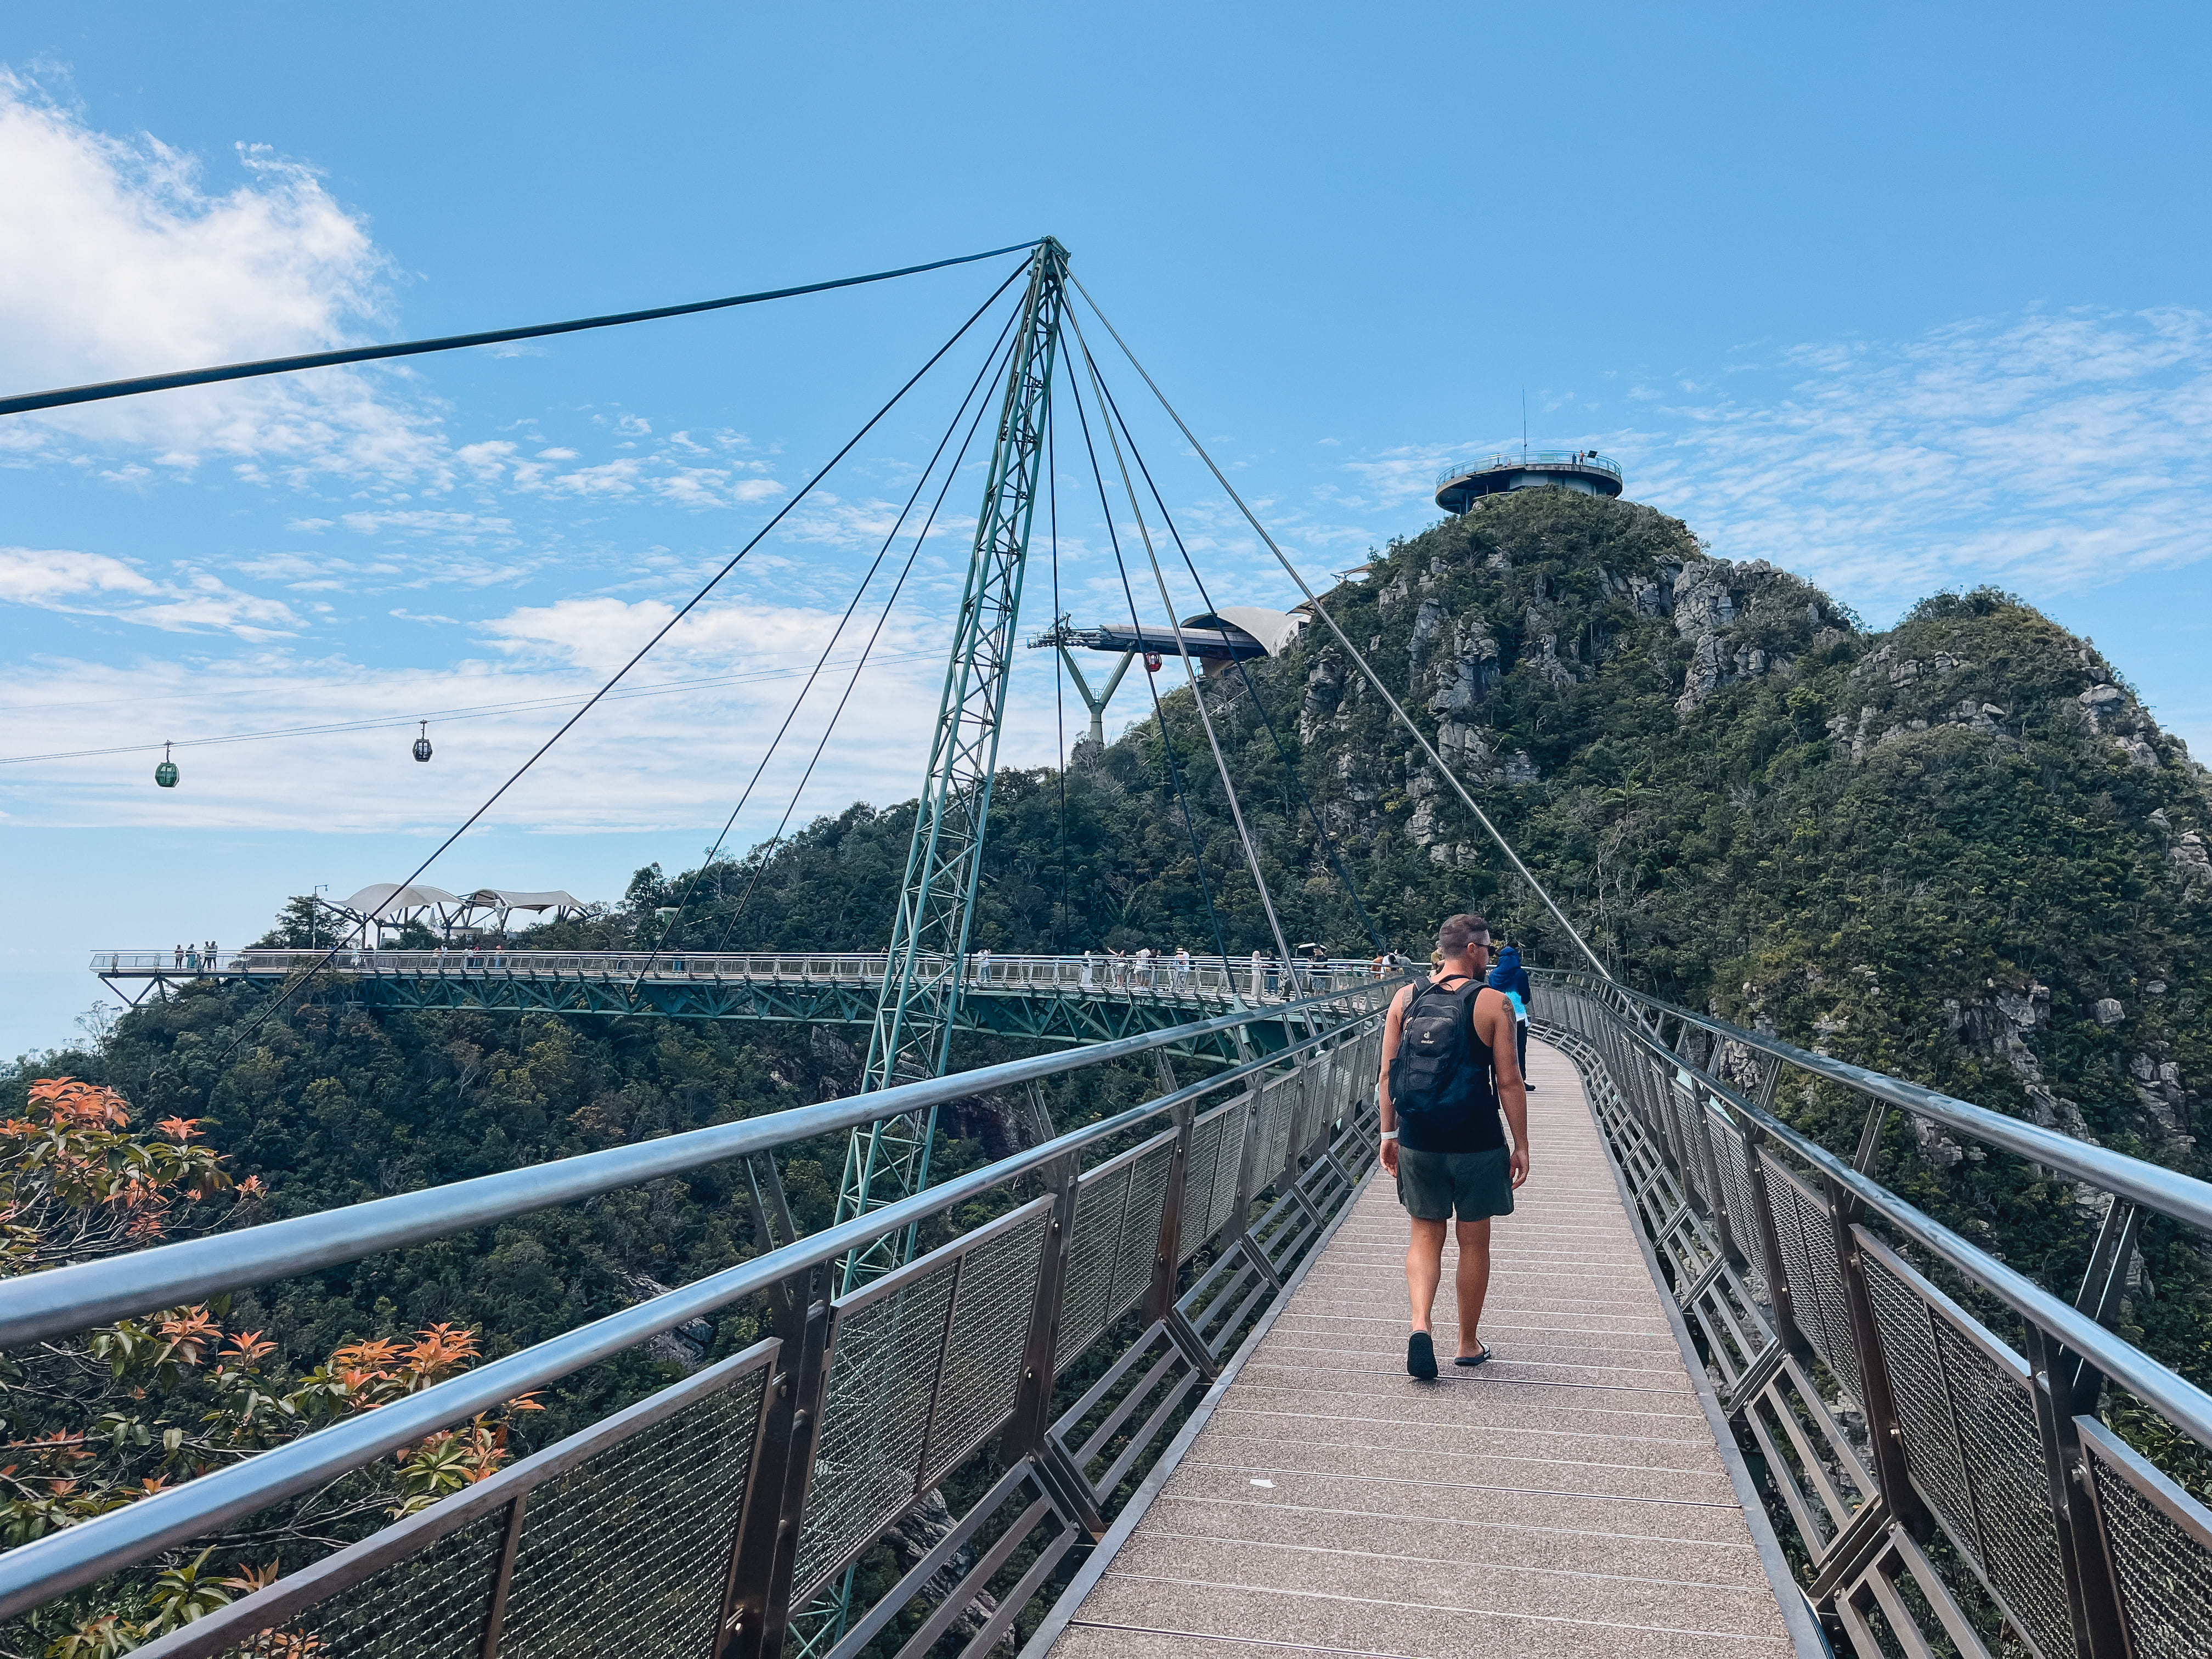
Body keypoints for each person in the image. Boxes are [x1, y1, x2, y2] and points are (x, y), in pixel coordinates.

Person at [1378, 912, 1531, 1380]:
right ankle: (1466, 1343)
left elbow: (1386, 1075)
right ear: (1472, 950)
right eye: (1486, 947)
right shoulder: (1492, 1003)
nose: (1488, 954)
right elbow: (1508, 1081)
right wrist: (1520, 1145)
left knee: (1425, 1236)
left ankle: (1420, 1323)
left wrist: (1389, 1135)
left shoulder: (1405, 998)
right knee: (1473, 1241)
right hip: (1477, 1141)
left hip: (1420, 1138)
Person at [1488, 943, 1536, 1093]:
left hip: (1499, 1016)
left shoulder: (1493, 975)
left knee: (1500, 1050)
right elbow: (1525, 997)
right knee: (1519, 1049)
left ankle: (1499, 1080)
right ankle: (1520, 1080)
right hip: (1519, 1017)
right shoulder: (1520, 974)